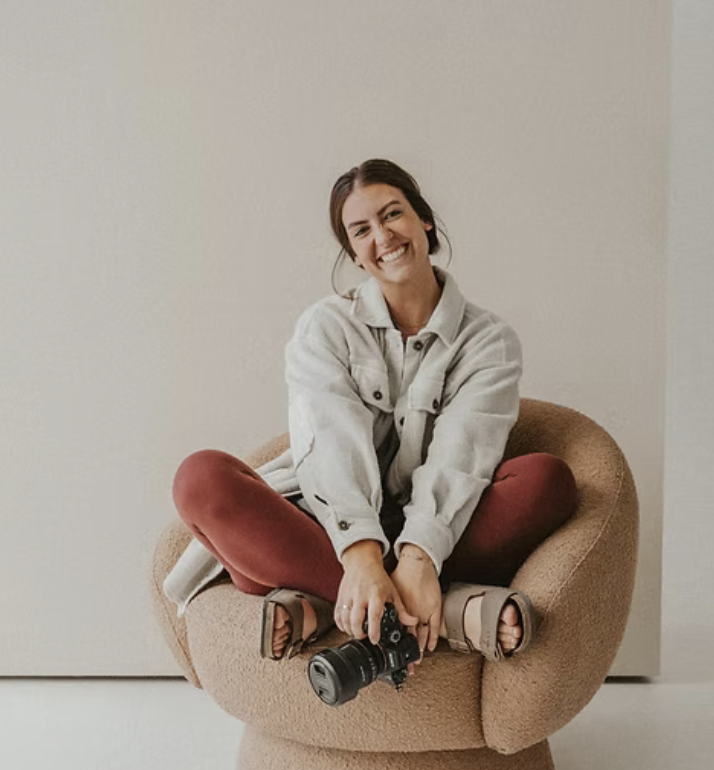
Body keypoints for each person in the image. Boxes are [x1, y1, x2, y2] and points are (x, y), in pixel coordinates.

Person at [169, 158, 578, 669]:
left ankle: (328, 605)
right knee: (200, 479)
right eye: (361, 230)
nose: (382, 236)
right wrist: (361, 556)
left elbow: (463, 452)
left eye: (393, 215)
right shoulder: (325, 326)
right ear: (354, 254)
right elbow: (330, 441)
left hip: (439, 529)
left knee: (548, 481)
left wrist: (418, 556)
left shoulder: (489, 341)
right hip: (328, 527)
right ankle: (446, 613)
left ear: (424, 219)